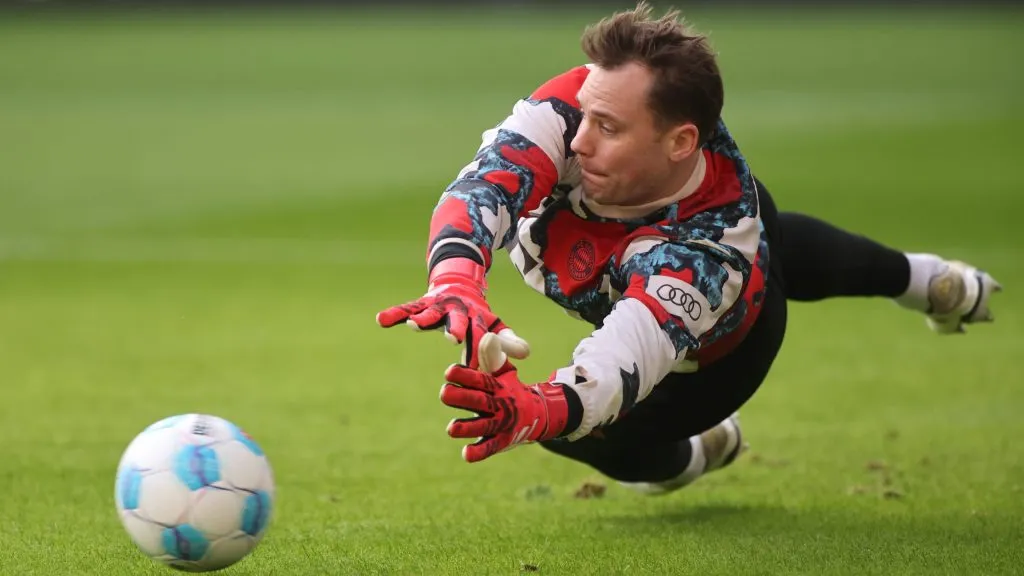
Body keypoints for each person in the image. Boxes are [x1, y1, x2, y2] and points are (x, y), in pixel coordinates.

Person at [375, 2, 1001, 494]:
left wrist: (538, 410)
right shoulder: (578, 106)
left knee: (581, 436)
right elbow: (486, 184)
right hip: (715, 224)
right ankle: (927, 281)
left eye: (609, 128)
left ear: (680, 142)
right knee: (777, 236)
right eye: (585, 115)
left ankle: (700, 452)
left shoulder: (703, 255)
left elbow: (622, 362)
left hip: (718, 357)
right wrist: (455, 279)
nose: (579, 139)